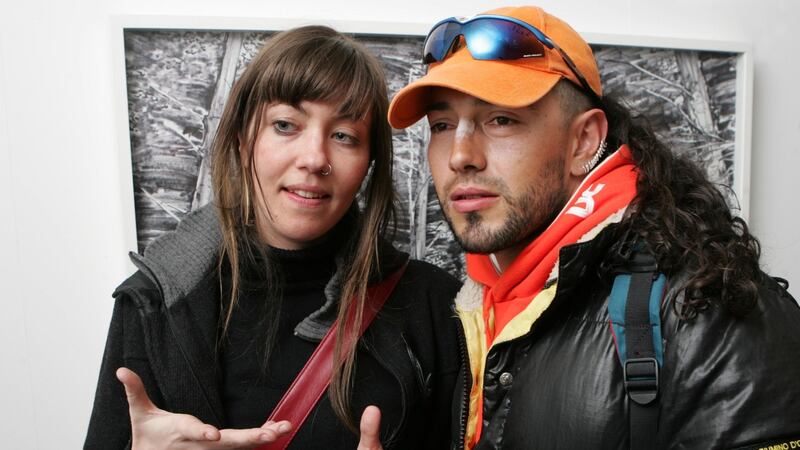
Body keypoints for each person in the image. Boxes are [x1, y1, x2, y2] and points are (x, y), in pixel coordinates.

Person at [382, 5, 800, 449]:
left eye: (500, 120)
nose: (459, 155)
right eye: (443, 125)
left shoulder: (710, 305)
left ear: (583, 142)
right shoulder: (479, 303)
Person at [85, 25, 461, 449]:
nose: (315, 158)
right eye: (285, 125)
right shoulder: (156, 302)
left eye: (344, 136)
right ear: (245, 138)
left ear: (368, 160)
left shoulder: (435, 308)